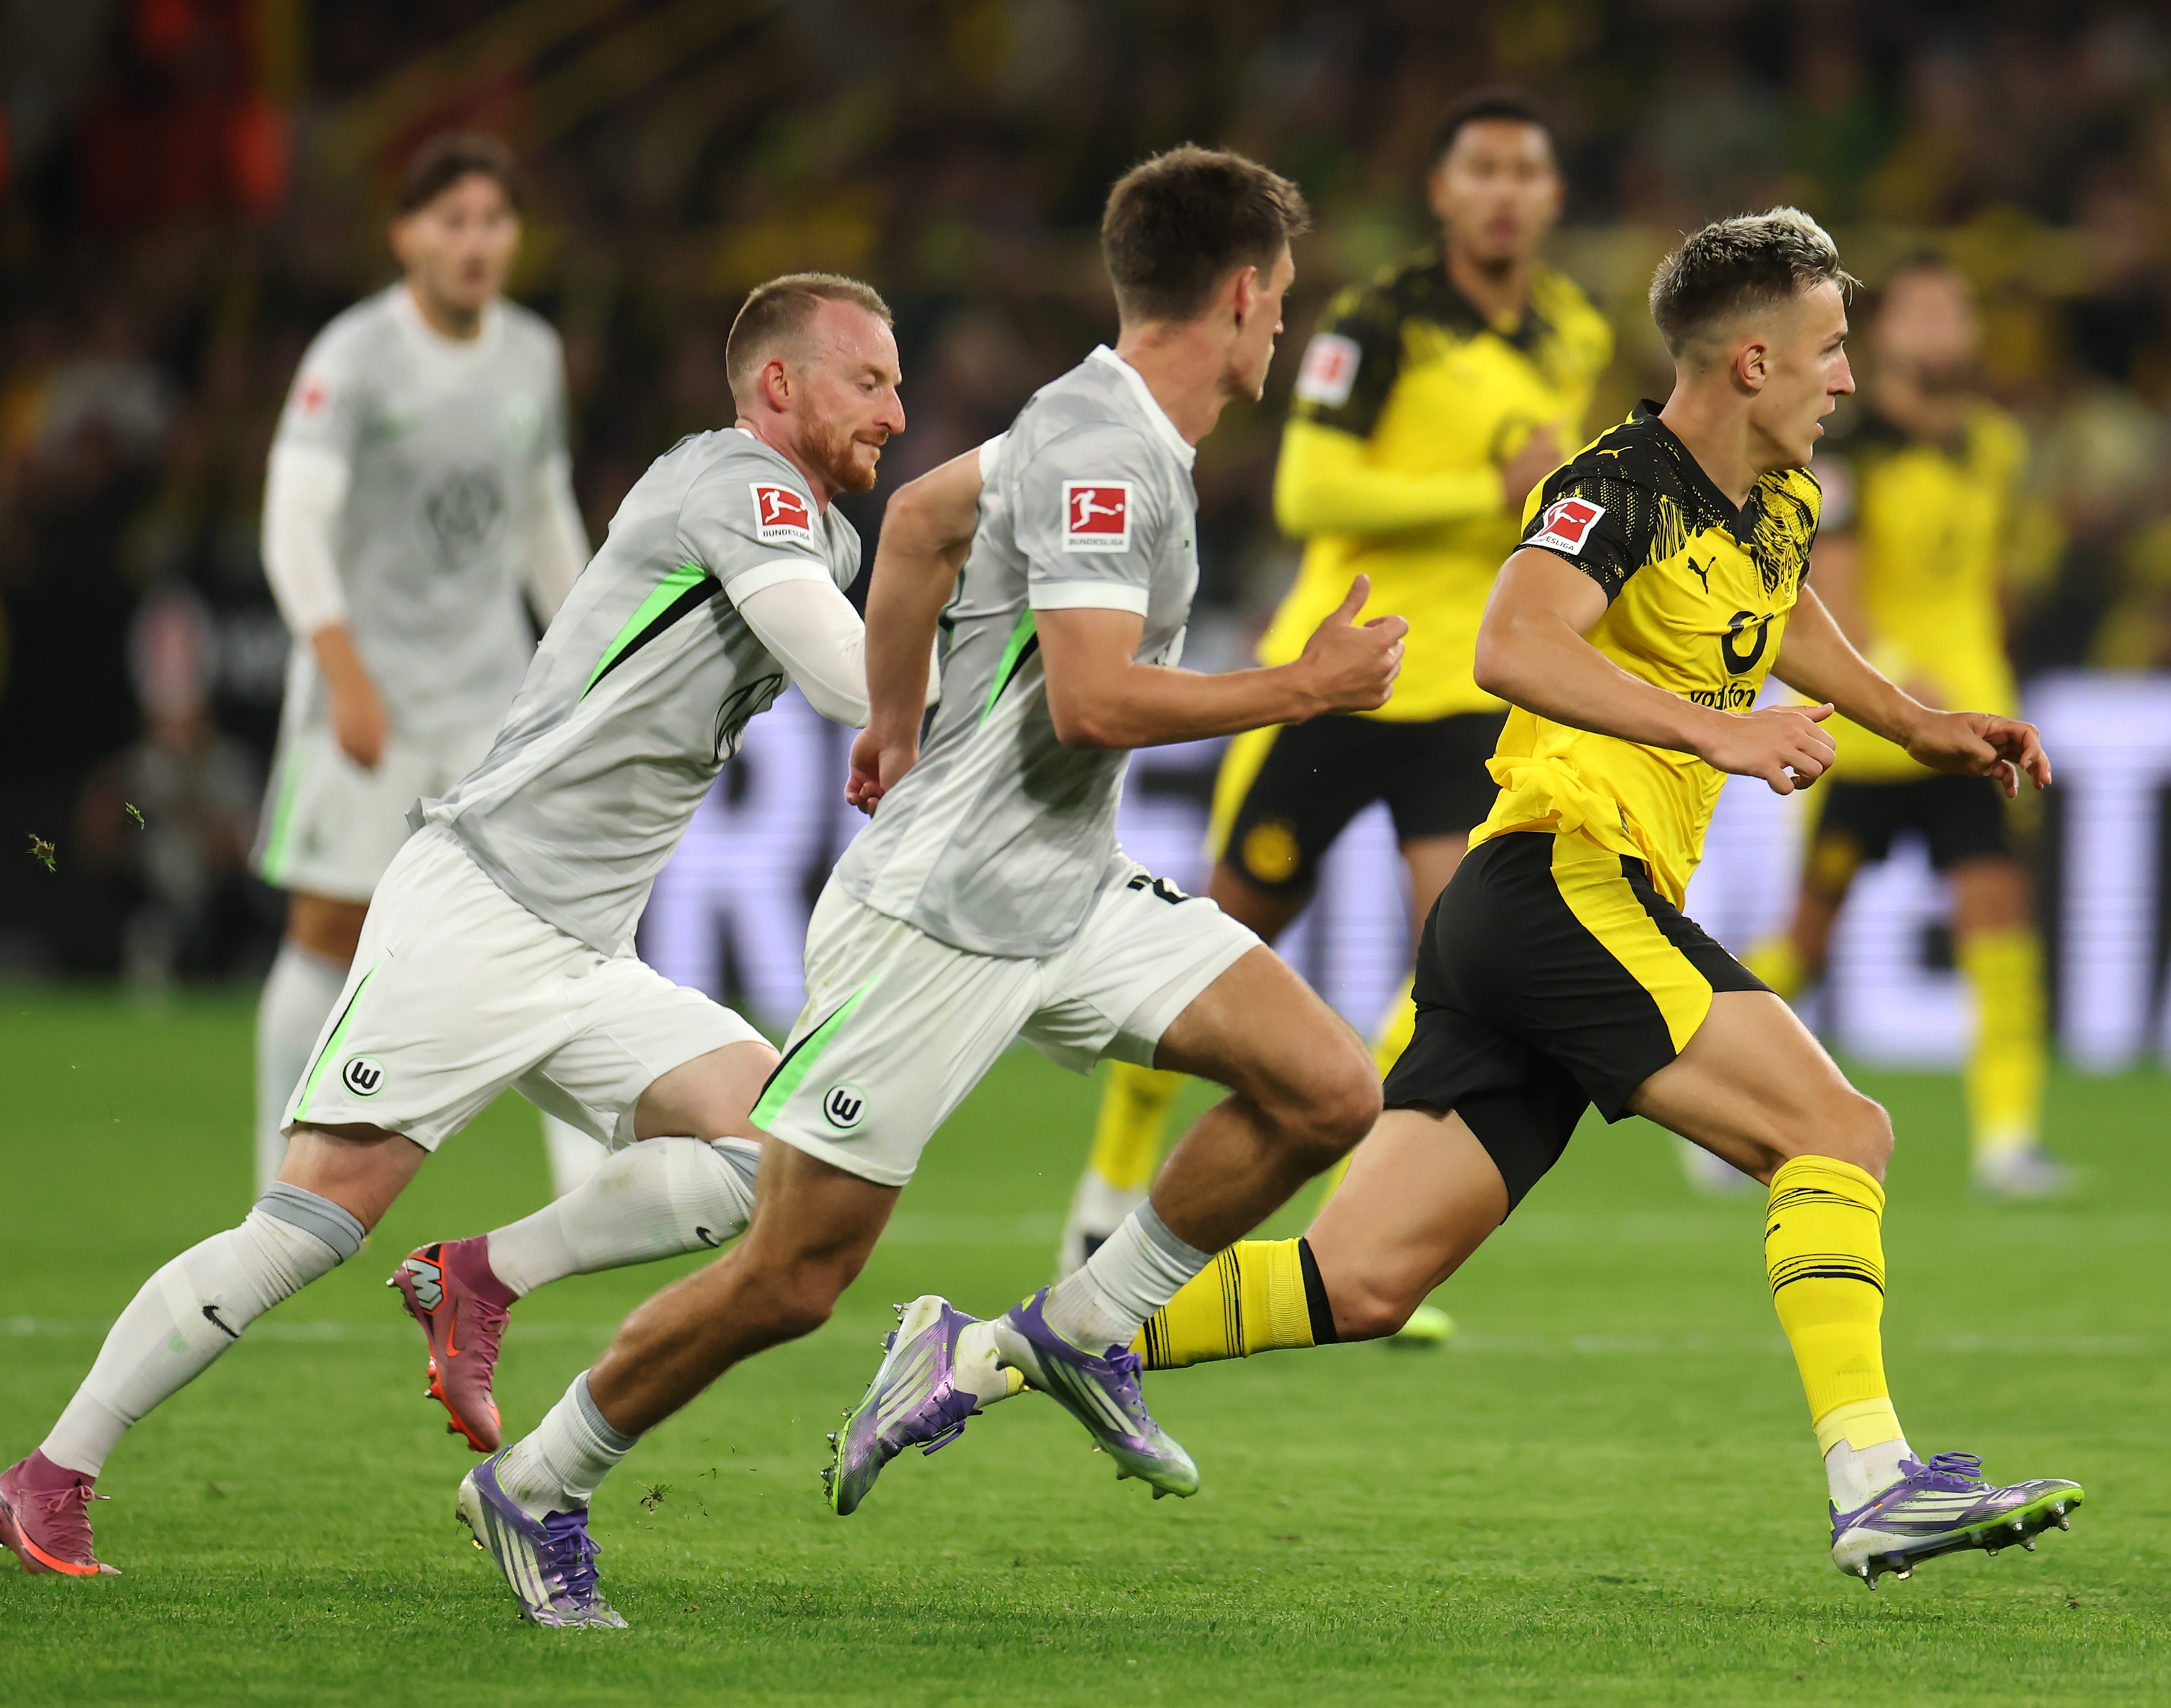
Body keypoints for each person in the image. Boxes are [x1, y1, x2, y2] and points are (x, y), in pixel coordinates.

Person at [848, 209, 2084, 1591]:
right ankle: (1874, 1481)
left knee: (1361, 1281)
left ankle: (981, 1352)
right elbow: (1512, 641)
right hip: (1561, 881)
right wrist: (1716, 731)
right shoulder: (1618, 485)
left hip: (1531, 921)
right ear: (1752, 361)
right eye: (1830, 347)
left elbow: (1784, 611)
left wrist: (1915, 724)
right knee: (1838, 1133)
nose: (1847, 376)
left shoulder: (1780, 501)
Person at [461, 146, 1404, 1630]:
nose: (1284, 320)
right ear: (1238, 294)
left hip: (1066, 887)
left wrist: (893, 718)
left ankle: (1081, 1325)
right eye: (1280, 294)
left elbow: (915, 524)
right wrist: (1306, 686)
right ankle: (537, 1481)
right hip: (940, 919)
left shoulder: (1101, 424)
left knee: (1327, 1088)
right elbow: (1092, 705)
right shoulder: (1106, 451)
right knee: (790, 1279)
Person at [0, 272, 905, 1583]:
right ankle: (49, 1476)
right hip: (483, 908)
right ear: (779, 384)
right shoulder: (737, 483)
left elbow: (847, 682)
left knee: (775, 1156)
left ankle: (481, 1276)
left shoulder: (825, 536)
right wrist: (983, 699)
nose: (896, 410)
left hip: (585, 944)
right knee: (308, 1225)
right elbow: (845, 675)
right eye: (870, 381)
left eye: (898, 385)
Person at [1065, 89, 1612, 1292]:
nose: (1506, 192)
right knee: (1221, 936)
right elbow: (1308, 493)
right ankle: (1106, 1193)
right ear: (1443, 192)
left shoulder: (1571, 328)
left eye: (1526, 171)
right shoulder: (1377, 323)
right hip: (1344, 679)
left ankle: (1352, 1232)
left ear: (1553, 196)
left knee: (1457, 971)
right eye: (1482, 170)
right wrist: (1486, 492)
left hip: (1467, 694)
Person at [250, 132, 606, 1201]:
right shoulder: (355, 356)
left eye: (494, 221)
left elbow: (542, 519)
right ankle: (277, 1192)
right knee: (331, 932)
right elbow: (293, 525)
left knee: (541, 927)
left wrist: (591, 662)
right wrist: (344, 673)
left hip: (490, 696)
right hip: (367, 695)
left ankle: (591, 1190)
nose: (475, 243)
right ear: (405, 234)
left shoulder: (531, 353)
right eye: (452, 222)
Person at [1717, 255, 2064, 1201]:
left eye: (1956, 310)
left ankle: (2008, 1141)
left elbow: (1993, 585)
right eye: (1923, 312)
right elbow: (1835, 595)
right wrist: (1907, 682)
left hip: (1973, 727)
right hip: (1877, 730)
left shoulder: (1995, 446)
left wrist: (1982, 674)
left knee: (1999, 925)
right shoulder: (1845, 454)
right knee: (1807, 937)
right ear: (1887, 334)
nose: (1942, 328)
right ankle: (1716, 1105)